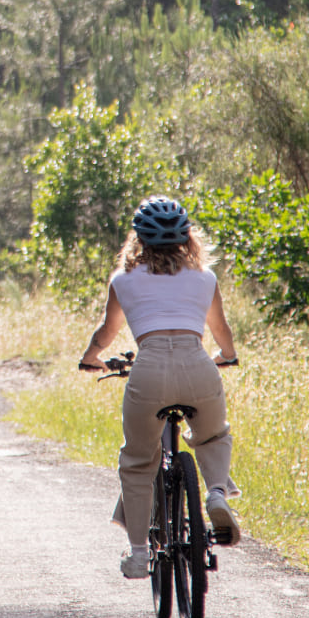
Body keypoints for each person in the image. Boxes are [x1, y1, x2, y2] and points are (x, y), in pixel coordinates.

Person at [79, 196, 241, 580]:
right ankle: (216, 492)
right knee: (212, 435)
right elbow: (222, 332)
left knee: (137, 462)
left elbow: (107, 331)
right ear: (188, 238)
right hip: (198, 366)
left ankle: (138, 554)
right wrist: (227, 355)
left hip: (148, 370)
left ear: (139, 240)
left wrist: (91, 356)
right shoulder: (205, 278)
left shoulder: (123, 280)